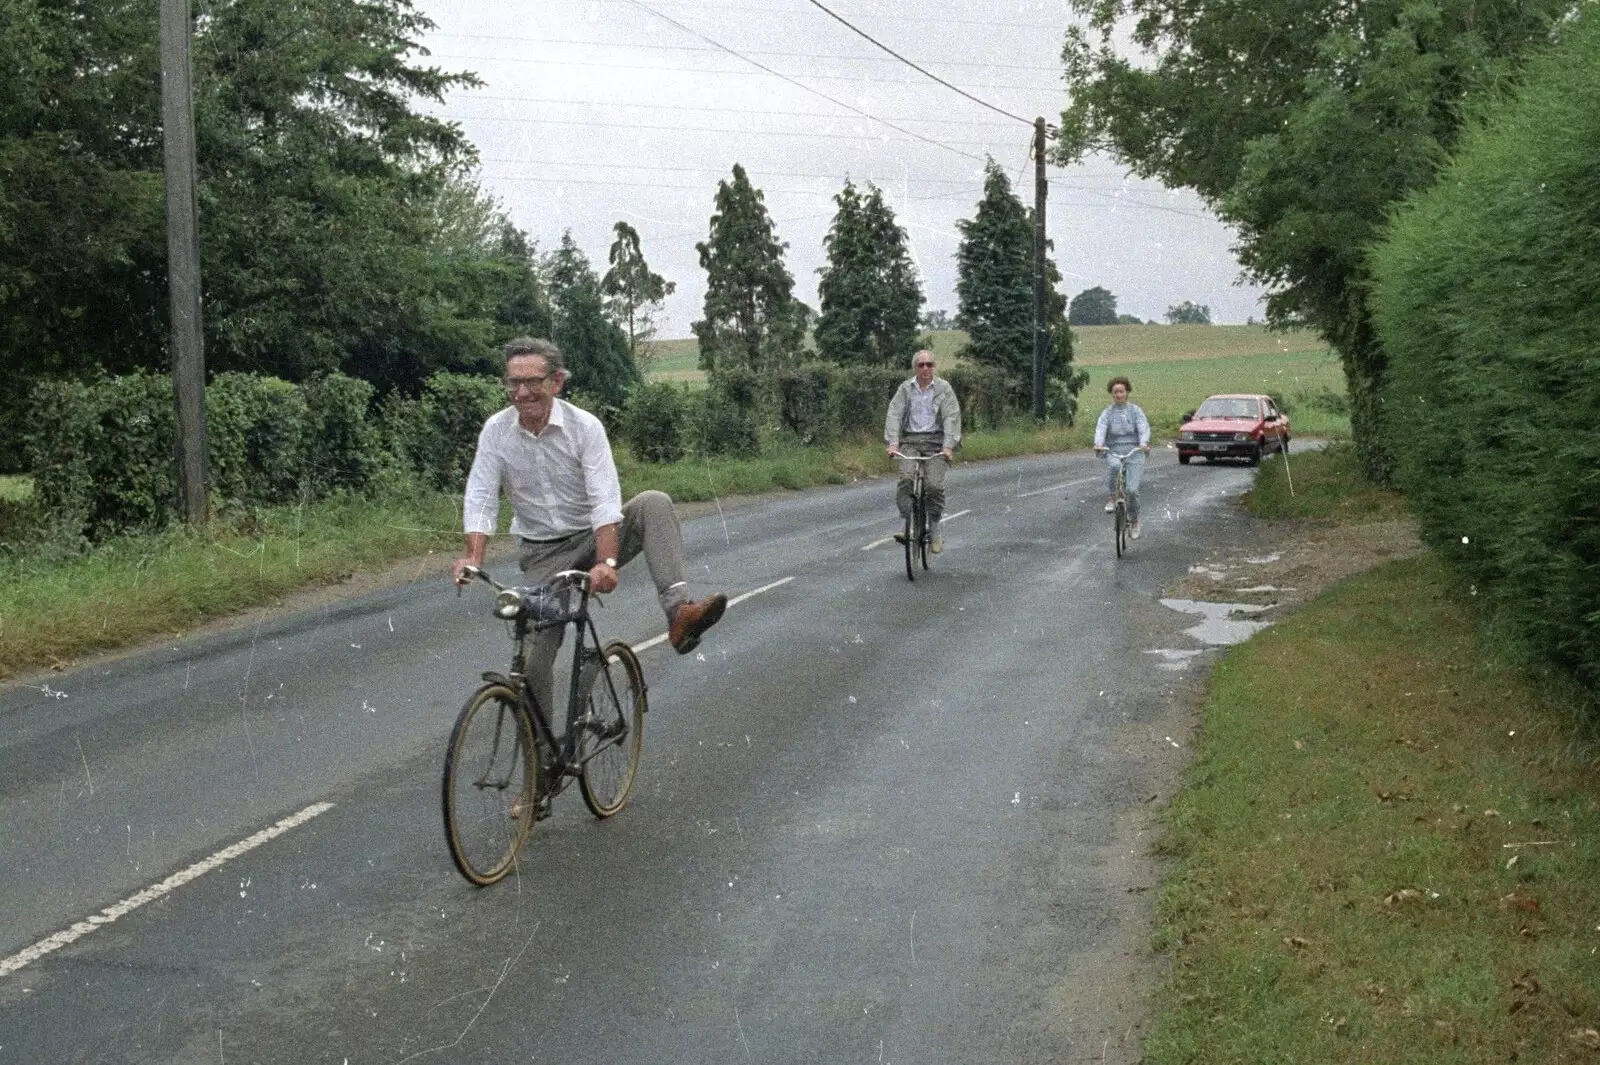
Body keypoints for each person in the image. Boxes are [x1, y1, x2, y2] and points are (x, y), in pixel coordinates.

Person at [452, 337, 727, 719]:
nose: (522, 392)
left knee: (654, 503)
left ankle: (679, 613)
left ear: (557, 381)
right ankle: (543, 764)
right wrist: (474, 558)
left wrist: (607, 562)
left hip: (593, 538)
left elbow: (604, 498)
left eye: (533, 381)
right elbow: (481, 494)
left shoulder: (585, 427)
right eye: (513, 383)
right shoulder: (496, 431)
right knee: (532, 663)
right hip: (542, 554)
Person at [884, 349, 961, 553]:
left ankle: (935, 529)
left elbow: (951, 417)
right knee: (906, 479)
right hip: (911, 441)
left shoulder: (944, 388)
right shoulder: (905, 389)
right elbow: (894, 414)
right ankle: (905, 523)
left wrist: (948, 446)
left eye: (930, 364)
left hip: (936, 443)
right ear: (915, 368)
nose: (926, 368)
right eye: (921, 365)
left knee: (933, 486)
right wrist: (893, 443)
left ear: (934, 367)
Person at [1093, 376, 1152, 539]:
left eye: (1121, 391)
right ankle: (1112, 496)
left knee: (1131, 490)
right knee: (1113, 467)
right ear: (1112, 394)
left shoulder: (1135, 411)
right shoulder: (1107, 413)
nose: (1119, 395)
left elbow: (1143, 427)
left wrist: (1143, 443)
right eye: (1115, 392)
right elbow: (1101, 428)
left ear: (1127, 392)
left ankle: (1134, 521)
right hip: (1114, 449)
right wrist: (1099, 444)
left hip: (1134, 450)